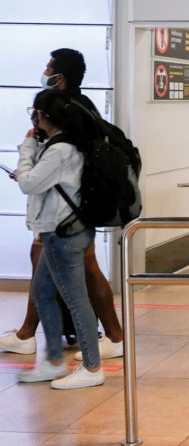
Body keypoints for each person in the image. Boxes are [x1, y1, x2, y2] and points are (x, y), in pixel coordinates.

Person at [0, 49, 124, 360]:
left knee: (81, 270)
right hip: (69, 211)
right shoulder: (84, 107)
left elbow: (57, 165)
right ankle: (28, 334)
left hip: (64, 215)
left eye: (49, 67)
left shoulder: (66, 114)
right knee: (47, 266)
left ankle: (110, 339)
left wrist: (29, 159)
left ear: (59, 77)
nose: (43, 71)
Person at [11, 89, 103, 388]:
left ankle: (91, 368)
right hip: (64, 230)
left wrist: (26, 149)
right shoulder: (64, 144)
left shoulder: (60, 150)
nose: (33, 117)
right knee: (42, 294)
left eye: (34, 112)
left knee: (76, 301)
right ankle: (53, 361)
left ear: (43, 116)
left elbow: (29, 183)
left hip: (62, 234)